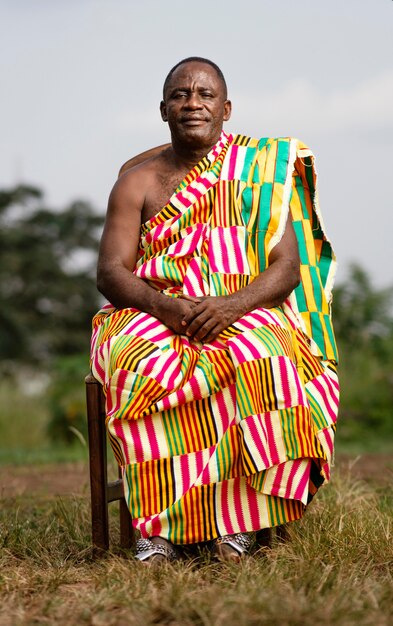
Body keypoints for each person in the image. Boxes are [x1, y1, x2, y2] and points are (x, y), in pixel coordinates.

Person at [90, 57, 339, 563]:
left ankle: (237, 525)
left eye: (205, 95)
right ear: (163, 110)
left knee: (263, 357)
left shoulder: (261, 173)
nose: (192, 103)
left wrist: (230, 306)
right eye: (180, 95)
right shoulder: (136, 183)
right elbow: (112, 272)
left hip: (242, 307)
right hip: (153, 310)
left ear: (226, 109)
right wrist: (166, 306)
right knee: (141, 366)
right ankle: (155, 531)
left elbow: (286, 268)